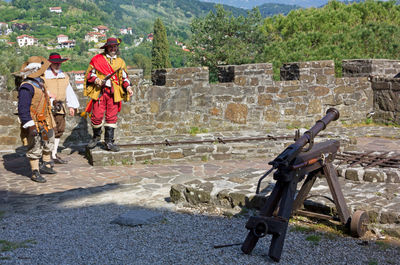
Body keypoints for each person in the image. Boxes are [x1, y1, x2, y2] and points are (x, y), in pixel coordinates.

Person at [84, 37, 133, 152]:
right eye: (111, 46)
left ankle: (109, 142)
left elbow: (124, 78)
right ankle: (96, 138)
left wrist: (129, 87)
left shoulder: (120, 62)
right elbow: (90, 75)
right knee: (96, 116)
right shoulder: (97, 60)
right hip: (100, 92)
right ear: (106, 48)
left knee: (112, 117)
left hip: (114, 93)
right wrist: (97, 80)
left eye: (115, 46)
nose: (113, 48)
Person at [16, 56, 56, 183]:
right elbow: (23, 109)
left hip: (45, 120)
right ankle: (35, 172)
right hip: (34, 121)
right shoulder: (26, 87)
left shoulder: (40, 82)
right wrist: (30, 125)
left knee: (48, 140)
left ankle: (46, 164)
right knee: (35, 146)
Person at [43, 53, 80, 164]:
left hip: (60, 107)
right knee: (49, 131)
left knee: (59, 130)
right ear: (50, 63)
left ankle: (54, 154)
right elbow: (41, 89)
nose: (57, 65)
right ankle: (46, 155)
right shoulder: (44, 76)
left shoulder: (64, 76)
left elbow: (68, 91)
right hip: (47, 107)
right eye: (55, 63)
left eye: (59, 63)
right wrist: (49, 94)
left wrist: (71, 106)